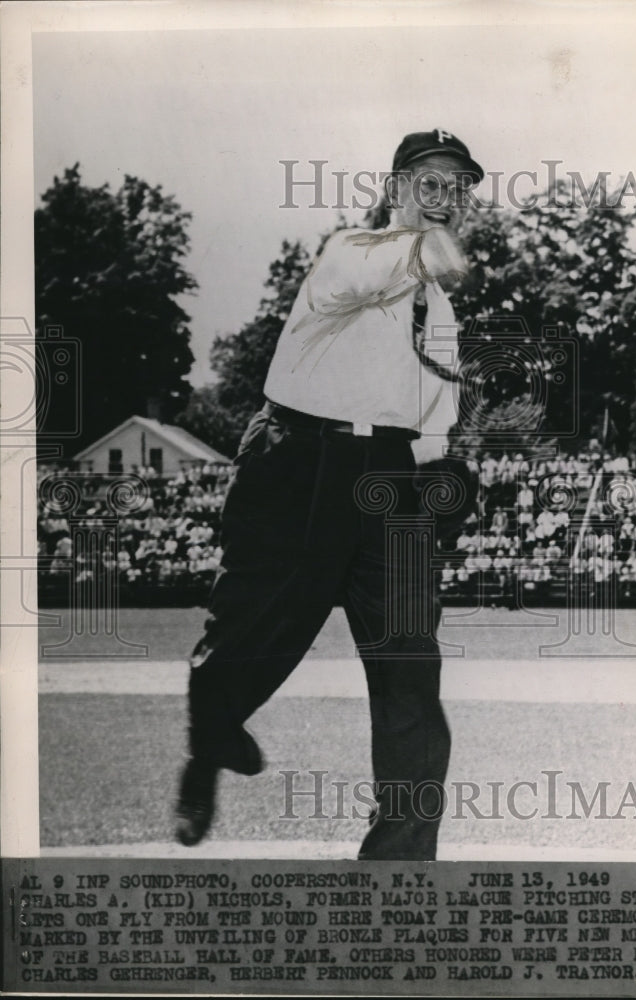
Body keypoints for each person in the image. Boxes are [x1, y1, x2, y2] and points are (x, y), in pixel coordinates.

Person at [174, 129, 484, 861]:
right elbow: (418, 255)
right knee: (254, 632)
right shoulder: (353, 249)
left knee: (411, 667)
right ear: (394, 186)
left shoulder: (439, 313)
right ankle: (211, 732)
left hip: (390, 477)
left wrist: (442, 478)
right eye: (429, 183)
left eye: (458, 187)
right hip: (300, 457)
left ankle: (399, 869)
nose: (445, 199)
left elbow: (433, 419)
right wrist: (433, 239)